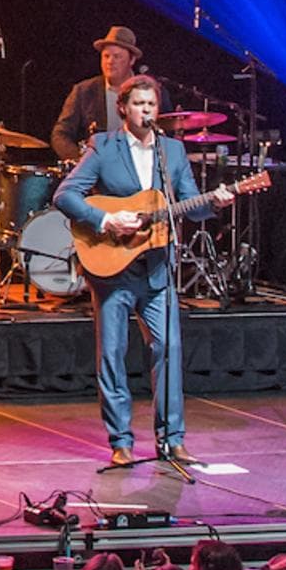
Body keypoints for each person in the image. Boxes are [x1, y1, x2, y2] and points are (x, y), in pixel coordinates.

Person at [52, 74, 208, 470]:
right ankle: (121, 440)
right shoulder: (104, 147)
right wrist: (106, 220)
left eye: (151, 105)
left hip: (156, 269)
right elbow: (65, 195)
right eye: (139, 105)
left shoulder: (171, 152)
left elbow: (190, 203)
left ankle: (172, 439)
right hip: (113, 270)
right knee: (113, 354)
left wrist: (218, 201)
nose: (146, 112)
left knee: (168, 349)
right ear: (123, 108)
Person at [51, 25, 141, 162]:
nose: (110, 61)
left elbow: (166, 133)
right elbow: (60, 134)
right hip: (97, 172)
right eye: (106, 56)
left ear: (132, 60)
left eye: (117, 56)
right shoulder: (84, 91)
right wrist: (81, 161)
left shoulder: (150, 92)